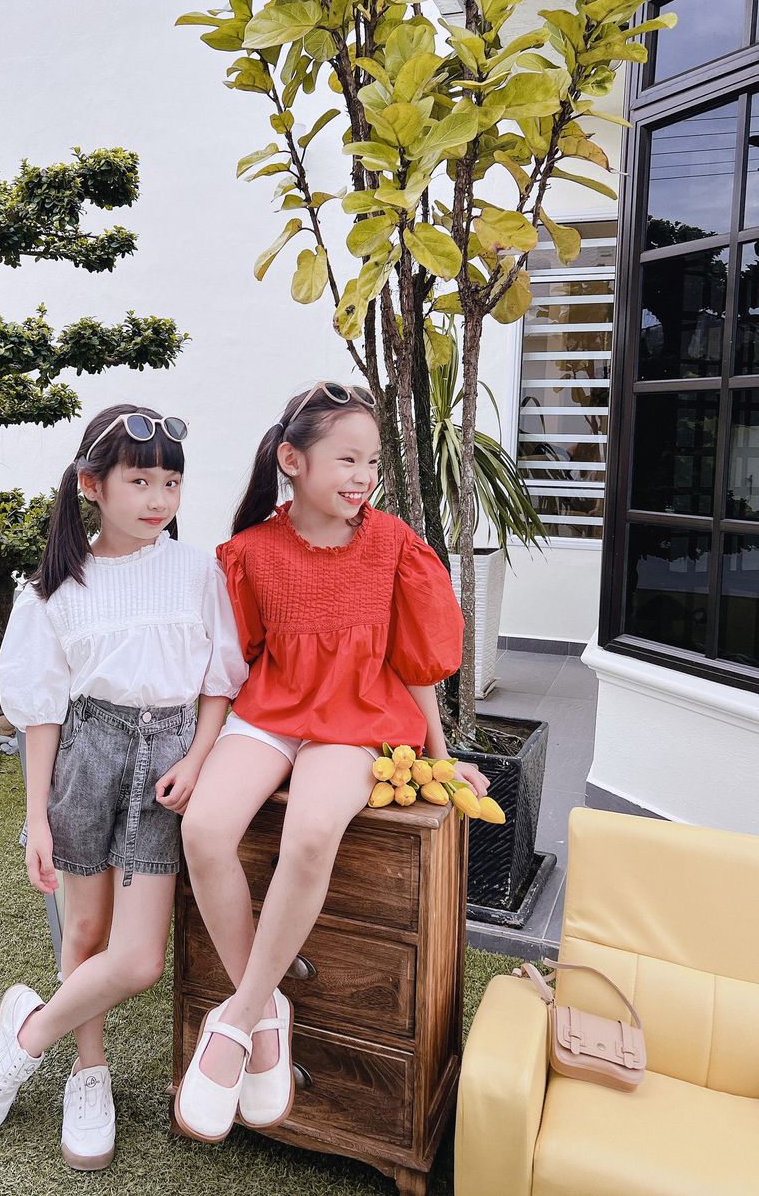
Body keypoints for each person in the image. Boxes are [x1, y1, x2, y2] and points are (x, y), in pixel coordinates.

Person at [174, 381, 489, 1143]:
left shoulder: (392, 544)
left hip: (355, 716)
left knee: (313, 830)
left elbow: (416, 662)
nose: (363, 476)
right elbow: (235, 662)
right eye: (347, 459)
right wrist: (200, 753)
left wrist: (442, 758)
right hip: (272, 708)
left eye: (372, 461)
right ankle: (266, 1009)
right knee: (205, 829)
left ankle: (237, 1019)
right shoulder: (249, 552)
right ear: (293, 460)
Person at [0, 403, 247, 1169]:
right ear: (92, 485)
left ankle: (27, 1034)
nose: (158, 498)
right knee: (84, 932)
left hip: (166, 765)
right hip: (88, 754)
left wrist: (199, 757)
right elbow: (41, 714)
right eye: (140, 481)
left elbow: (219, 680)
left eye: (170, 483)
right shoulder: (55, 590)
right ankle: (87, 1073)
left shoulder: (197, 571)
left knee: (139, 958)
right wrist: (37, 817)